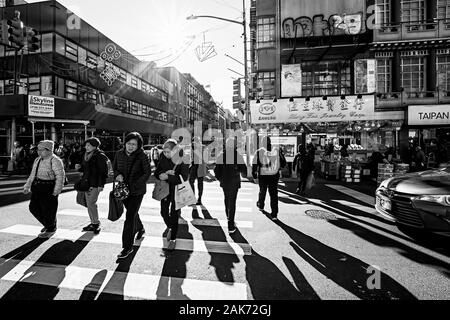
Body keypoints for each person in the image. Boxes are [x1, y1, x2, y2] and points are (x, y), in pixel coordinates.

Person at [113, 132, 151, 259]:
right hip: (123, 191)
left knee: (129, 217)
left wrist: (135, 184)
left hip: (137, 192)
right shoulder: (119, 154)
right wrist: (117, 175)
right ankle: (140, 228)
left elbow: (147, 173)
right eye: (129, 143)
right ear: (125, 143)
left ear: (138, 145)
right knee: (132, 212)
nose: (130, 146)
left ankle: (127, 247)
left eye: (134, 144)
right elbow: (115, 168)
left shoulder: (142, 156)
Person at [23, 140, 65, 238]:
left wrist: (57, 190)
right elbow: (32, 175)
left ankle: (50, 229)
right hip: (37, 186)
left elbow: (60, 176)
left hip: (49, 187)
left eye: (41, 150)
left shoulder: (55, 160)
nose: (38, 151)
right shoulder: (37, 159)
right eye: (38, 149)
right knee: (33, 208)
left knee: (49, 210)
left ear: (49, 150)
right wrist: (27, 186)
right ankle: (49, 224)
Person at [154, 138, 190, 250]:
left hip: (177, 190)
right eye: (164, 152)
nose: (165, 154)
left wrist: (169, 176)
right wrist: (161, 174)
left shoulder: (183, 158)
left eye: (168, 152)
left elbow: (184, 178)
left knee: (174, 213)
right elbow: (157, 171)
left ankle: (173, 237)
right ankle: (170, 227)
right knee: (163, 212)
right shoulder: (162, 157)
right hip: (165, 189)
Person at [76, 137, 109, 234]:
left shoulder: (100, 156)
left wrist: (101, 185)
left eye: (89, 145)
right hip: (86, 183)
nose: (86, 147)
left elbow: (103, 172)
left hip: (95, 184)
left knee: (91, 203)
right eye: (86, 145)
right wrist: (79, 168)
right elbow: (86, 170)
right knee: (89, 204)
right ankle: (93, 222)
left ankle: (96, 223)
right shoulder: (86, 155)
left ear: (95, 146)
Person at [214, 137, 247, 234]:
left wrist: (220, 178)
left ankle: (229, 217)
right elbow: (244, 169)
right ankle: (230, 225)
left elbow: (216, 170)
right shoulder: (237, 155)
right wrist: (238, 171)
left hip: (224, 182)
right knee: (232, 202)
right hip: (234, 182)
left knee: (226, 199)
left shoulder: (221, 155)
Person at [252, 136, 286, 221]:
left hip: (263, 175)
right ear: (270, 142)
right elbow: (283, 163)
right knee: (274, 194)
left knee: (262, 191)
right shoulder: (276, 151)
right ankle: (274, 214)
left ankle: (261, 206)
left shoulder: (259, 151)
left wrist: (254, 174)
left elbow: (254, 164)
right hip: (274, 175)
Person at [189, 137, 208, 205]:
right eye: (193, 142)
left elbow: (206, 159)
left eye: (196, 142)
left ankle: (199, 199)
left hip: (200, 167)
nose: (194, 143)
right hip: (193, 166)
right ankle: (193, 198)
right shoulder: (191, 147)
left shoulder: (203, 148)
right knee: (190, 181)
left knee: (200, 184)